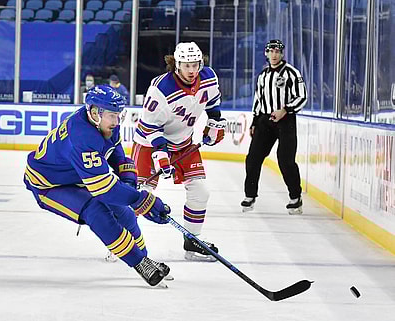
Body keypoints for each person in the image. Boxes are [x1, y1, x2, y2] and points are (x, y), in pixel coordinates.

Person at [23, 84, 172, 287]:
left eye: (119, 114)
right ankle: (140, 263)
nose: (117, 120)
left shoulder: (105, 123)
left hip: (74, 176)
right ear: (94, 113)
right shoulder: (82, 137)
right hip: (48, 185)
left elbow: (117, 154)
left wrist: (129, 184)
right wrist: (142, 200)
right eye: (112, 115)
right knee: (96, 212)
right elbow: (105, 190)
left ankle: (146, 259)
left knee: (124, 212)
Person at [131, 42, 227, 261]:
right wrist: (160, 154)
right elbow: (149, 126)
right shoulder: (160, 89)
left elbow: (213, 105)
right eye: (187, 66)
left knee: (200, 191)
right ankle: (121, 241)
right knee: (138, 195)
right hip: (149, 144)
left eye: (196, 65)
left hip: (184, 143)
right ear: (177, 65)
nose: (192, 70)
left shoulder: (209, 77)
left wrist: (215, 123)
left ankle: (192, 243)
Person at [242, 39, 307, 214]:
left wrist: (285, 110)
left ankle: (295, 197)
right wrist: (255, 121)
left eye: (277, 51)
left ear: (282, 53)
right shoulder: (263, 76)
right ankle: (250, 195)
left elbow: (302, 97)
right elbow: (258, 99)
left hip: (285, 120)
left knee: (285, 160)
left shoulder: (292, 73)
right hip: (265, 121)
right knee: (253, 158)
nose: (274, 54)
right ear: (266, 53)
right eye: (271, 51)